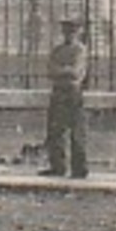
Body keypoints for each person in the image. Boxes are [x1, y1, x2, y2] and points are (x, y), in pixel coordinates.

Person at [41, 19, 90, 178]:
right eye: (66, 31)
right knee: (55, 130)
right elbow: (50, 70)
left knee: (76, 131)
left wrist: (62, 70)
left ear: (78, 33)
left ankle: (79, 168)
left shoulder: (80, 50)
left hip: (73, 92)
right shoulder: (57, 50)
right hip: (58, 91)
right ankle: (57, 166)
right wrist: (65, 70)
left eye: (73, 31)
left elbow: (76, 72)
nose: (69, 34)